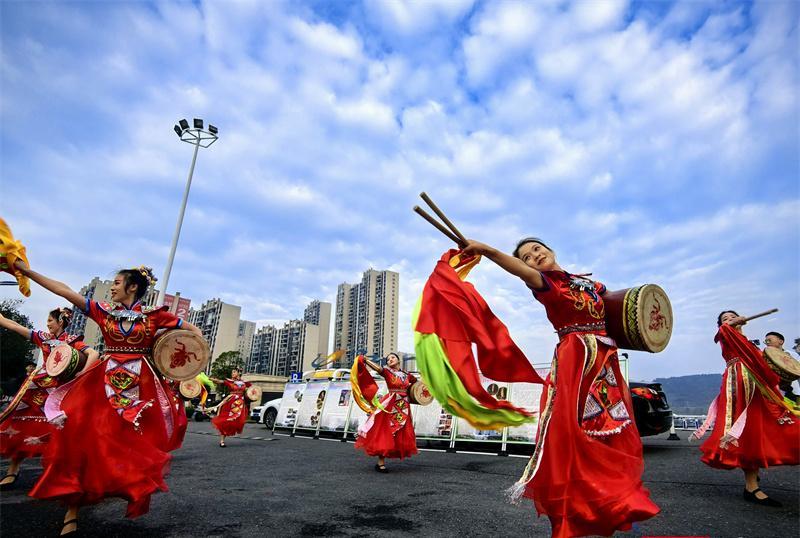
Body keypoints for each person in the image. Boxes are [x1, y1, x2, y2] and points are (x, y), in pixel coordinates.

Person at [462, 237, 659, 538]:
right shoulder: (546, 285)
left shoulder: (589, 284)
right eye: (527, 256)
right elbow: (519, 271)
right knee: (573, 435)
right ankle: (570, 518)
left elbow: (619, 305)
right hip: (576, 362)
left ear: (550, 250)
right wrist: (487, 251)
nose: (535, 256)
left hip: (605, 362)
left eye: (537, 249)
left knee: (609, 431)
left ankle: (610, 504)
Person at [13, 261, 203, 536]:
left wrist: (185, 368)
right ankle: (72, 510)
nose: (112, 287)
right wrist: (25, 270)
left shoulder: (155, 316)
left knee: (132, 446)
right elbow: (65, 291)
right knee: (83, 440)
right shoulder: (103, 312)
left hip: (141, 387)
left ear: (132, 287)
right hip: (102, 383)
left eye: (116, 283)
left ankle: (122, 487)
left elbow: (194, 333)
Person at [691, 312, 799, 507]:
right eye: (725, 318)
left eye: (733, 316)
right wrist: (729, 324)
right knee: (747, 432)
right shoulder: (726, 335)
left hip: (758, 386)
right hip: (740, 385)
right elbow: (723, 330)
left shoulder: (747, 342)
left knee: (765, 428)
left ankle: (752, 481)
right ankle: (751, 487)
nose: (729, 320)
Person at [0, 308, 99, 490]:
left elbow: (94, 354)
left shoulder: (72, 341)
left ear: (60, 321)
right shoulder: (43, 337)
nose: (47, 323)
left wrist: (81, 374)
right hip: (36, 388)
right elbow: (14, 326)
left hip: (58, 392)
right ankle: (12, 471)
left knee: (58, 432)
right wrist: (2, 319)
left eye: (50, 320)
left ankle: (53, 475)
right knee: (20, 425)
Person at [354, 353, 418, 472]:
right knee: (386, 431)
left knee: (400, 433)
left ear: (398, 360)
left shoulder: (407, 375)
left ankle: (384, 460)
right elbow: (378, 369)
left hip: (403, 406)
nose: (390, 360)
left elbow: (416, 383)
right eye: (388, 359)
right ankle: (380, 463)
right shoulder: (388, 372)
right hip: (390, 405)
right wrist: (366, 360)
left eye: (392, 357)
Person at [209, 368, 251, 447]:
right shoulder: (230, 381)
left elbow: (251, 390)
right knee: (226, 421)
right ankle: (222, 441)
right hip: (231, 403)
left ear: (239, 373)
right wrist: (213, 379)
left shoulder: (244, 383)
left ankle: (227, 433)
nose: (232, 373)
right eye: (232, 372)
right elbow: (220, 381)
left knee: (240, 421)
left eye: (234, 372)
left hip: (240, 404)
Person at [764, 331, 799, 401]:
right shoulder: (763, 355)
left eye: (769, 340)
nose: (767, 342)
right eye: (765, 341)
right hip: (773, 392)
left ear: (781, 341)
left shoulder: (792, 355)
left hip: (793, 391)